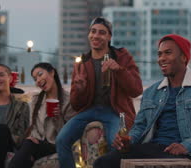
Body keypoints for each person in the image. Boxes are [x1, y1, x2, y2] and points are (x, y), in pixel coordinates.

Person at [94, 34, 191, 168]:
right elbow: (140, 126)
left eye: (168, 53)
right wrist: (129, 140)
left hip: (189, 153)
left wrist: (186, 146)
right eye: (159, 54)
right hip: (154, 148)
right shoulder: (152, 92)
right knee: (102, 163)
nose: (162, 58)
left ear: (184, 57)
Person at [56, 17, 143, 168]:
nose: (96, 36)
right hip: (89, 110)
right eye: (93, 31)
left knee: (117, 143)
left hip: (117, 112)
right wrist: (80, 90)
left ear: (109, 37)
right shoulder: (82, 62)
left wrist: (119, 70)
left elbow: (136, 90)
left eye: (102, 33)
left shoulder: (122, 56)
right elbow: (76, 105)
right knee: (61, 139)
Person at [9, 63, 76, 168]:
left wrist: (57, 118)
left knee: (27, 148)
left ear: (52, 72)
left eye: (40, 74)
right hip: (38, 144)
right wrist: (33, 138)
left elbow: (69, 135)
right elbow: (33, 126)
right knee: (26, 152)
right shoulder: (36, 100)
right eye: (35, 78)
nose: (38, 80)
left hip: (56, 144)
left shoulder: (68, 100)